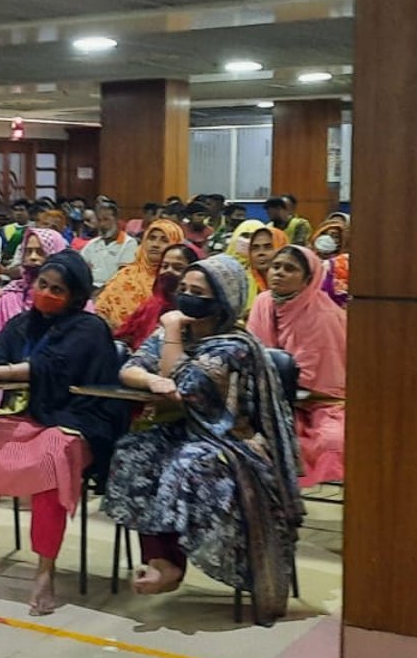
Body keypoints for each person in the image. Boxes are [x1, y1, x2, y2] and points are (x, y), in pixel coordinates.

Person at [0, 250, 127, 615]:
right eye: (42, 284)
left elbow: (47, 367)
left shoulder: (88, 328)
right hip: (32, 415)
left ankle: (45, 570)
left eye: (57, 289)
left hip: (80, 420)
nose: (46, 293)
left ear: (75, 296)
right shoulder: (23, 322)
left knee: (51, 459)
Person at [103, 256, 303, 625]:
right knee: (136, 451)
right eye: (184, 289)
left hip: (231, 439)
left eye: (198, 291)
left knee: (188, 464)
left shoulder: (234, 346)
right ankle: (161, 561)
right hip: (185, 430)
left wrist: (170, 332)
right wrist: (152, 380)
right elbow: (132, 367)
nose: (186, 296)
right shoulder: (179, 332)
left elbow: (186, 383)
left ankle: (183, 561)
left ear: (223, 299)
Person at [248, 245, 346, 487]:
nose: (279, 273)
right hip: (266, 392)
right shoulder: (263, 302)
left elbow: (319, 379)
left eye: (290, 269)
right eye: (276, 266)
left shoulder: (324, 316)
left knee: (331, 441)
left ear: (308, 280)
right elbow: (250, 354)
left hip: (318, 400)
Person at [0, 227, 67, 344]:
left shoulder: (71, 297)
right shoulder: (9, 295)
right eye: (28, 251)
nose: (33, 257)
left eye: (40, 252)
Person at [95, 220, 187, 333]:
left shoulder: (175, 281)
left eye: (164, 240)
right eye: (151, 238)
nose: (155, 244)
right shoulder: (125, 274)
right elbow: (100, 309)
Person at [113, 243, 200, 348]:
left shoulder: (194, 311)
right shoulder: (151, 305)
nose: (168, 271)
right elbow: (125, 335)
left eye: (177, 268)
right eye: (164, 266)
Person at [79, 200, 137, 287]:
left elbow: (123, 276)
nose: (102, 224)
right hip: (89, 288)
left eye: (106, 219)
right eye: (99, 220)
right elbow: (80, 267)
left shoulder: (129, 243)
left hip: (113, 289)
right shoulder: (92, 244)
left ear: (116, 219)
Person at [313, 213, 351, 307]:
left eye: (335, 236)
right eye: (324, 234)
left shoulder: (346, 262)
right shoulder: (306, 258)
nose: (327, 238)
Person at [245, 224, 289, 302]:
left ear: (282, 250)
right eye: (255, 248)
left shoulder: (294, 286)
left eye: (268, 247)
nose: (261, 253)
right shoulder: (244, 285)